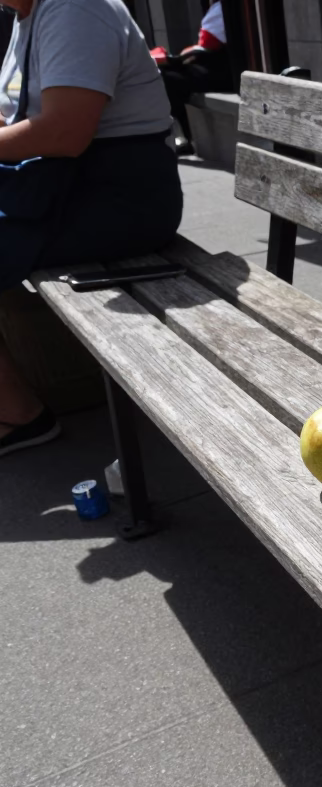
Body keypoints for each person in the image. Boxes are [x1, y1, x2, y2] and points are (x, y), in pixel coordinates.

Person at [0, 0, 182, 457]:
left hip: (117, 201)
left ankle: (20, 415)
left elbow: (64, 132)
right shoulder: (28, 15)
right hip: (67, 189)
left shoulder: (74, 7)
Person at [155, 1, 231, 155]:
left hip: (223, 72)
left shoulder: (224, 8)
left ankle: (186, 137)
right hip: (212, 66)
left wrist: (172, 59)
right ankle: (182, 134)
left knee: (168, 80)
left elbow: (208, 47)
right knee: (167, 75)